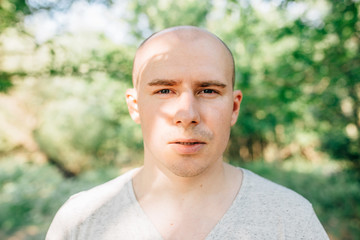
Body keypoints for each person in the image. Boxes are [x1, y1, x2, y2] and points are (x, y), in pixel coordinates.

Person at [46, 26, 329, 240]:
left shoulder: (289, 218)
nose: (187, 115)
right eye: (164, 90)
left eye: (208, 91)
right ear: (135, 106)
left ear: (233, 107)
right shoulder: (81, 221)